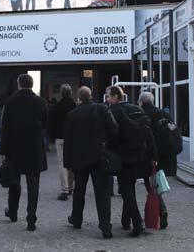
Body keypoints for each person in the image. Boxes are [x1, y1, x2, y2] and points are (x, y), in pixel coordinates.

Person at [64, 86, 118, 239]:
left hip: (80, 159)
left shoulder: (72, 114)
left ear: (79, 99)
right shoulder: (101, 109)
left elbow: (68, 140)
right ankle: (106, 226)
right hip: (99, 157)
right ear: (91, 96)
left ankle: (76, 219)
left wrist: (68, 162)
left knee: (79, 191)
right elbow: (114, 129)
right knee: (102, 193)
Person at [106, 85, 156, 237]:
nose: (107, 99)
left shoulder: (113, 112)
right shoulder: (137, 109)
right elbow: (149, 134)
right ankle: (125, 221)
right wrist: (153, 156)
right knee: (130, 188)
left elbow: (110, 136)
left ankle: (137, 223)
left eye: (108, 96)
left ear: (115, 96)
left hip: (124, 157)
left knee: (126, 190)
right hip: (141, 156)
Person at [0, 73, 48, 231]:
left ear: (19, 84)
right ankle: (31, 218)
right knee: (33, 185)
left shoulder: (11, 102)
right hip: (34, 149)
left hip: (15, 148)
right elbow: (46, 125)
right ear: (32, 85)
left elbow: (5, 128)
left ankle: (13, 212)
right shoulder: (41, 102)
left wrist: (3, 150)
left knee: (14, 182)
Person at [138, 91, 176, 230]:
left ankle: (160, 209)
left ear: (141, 102)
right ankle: (159, 210)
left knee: (151, 185)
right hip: (164, 155)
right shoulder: (163, 113)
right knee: (156, 182)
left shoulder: (142, 114)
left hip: (148, 155)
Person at [49, 85, 76, 201]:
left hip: (60, 137)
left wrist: (52, 137)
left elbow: (51, 124)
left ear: (61, 93)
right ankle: (71, 187)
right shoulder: (75, 106)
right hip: (73, 138)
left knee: (62, 163)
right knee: (72, 162)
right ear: (70, 93)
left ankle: (64, 190)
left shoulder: (56, 107)